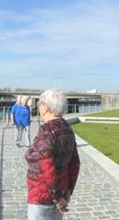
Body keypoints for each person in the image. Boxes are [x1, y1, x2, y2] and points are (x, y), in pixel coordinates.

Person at [26, 89, 80, 220]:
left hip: (42, 194)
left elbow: (47, 167)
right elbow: (75, 163)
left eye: (39, 105)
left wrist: (57, 198)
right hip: (60, 190)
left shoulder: (47, 130)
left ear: (45, 108)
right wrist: (67, 192)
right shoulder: (67, 128)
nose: (39, 107)